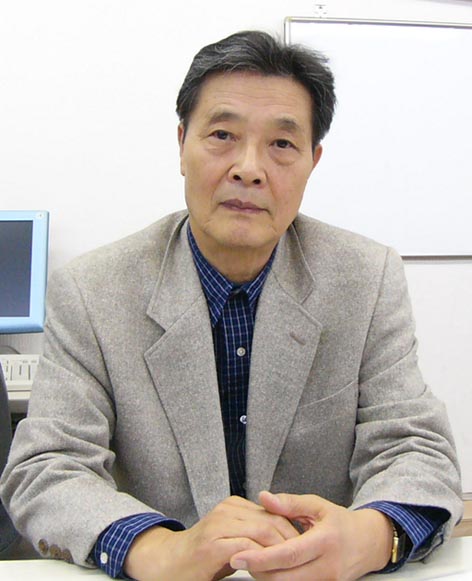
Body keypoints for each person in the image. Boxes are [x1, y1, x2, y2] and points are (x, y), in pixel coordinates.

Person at [0, 30, 463, 581]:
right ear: (181, 145)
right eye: (222, 135)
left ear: (313, 161)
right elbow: (47, 466)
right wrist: (156, 549)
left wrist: (374, 535)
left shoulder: (366, 278)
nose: (249, 168)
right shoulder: (92, 291)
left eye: (282, 144)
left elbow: (414, 444)